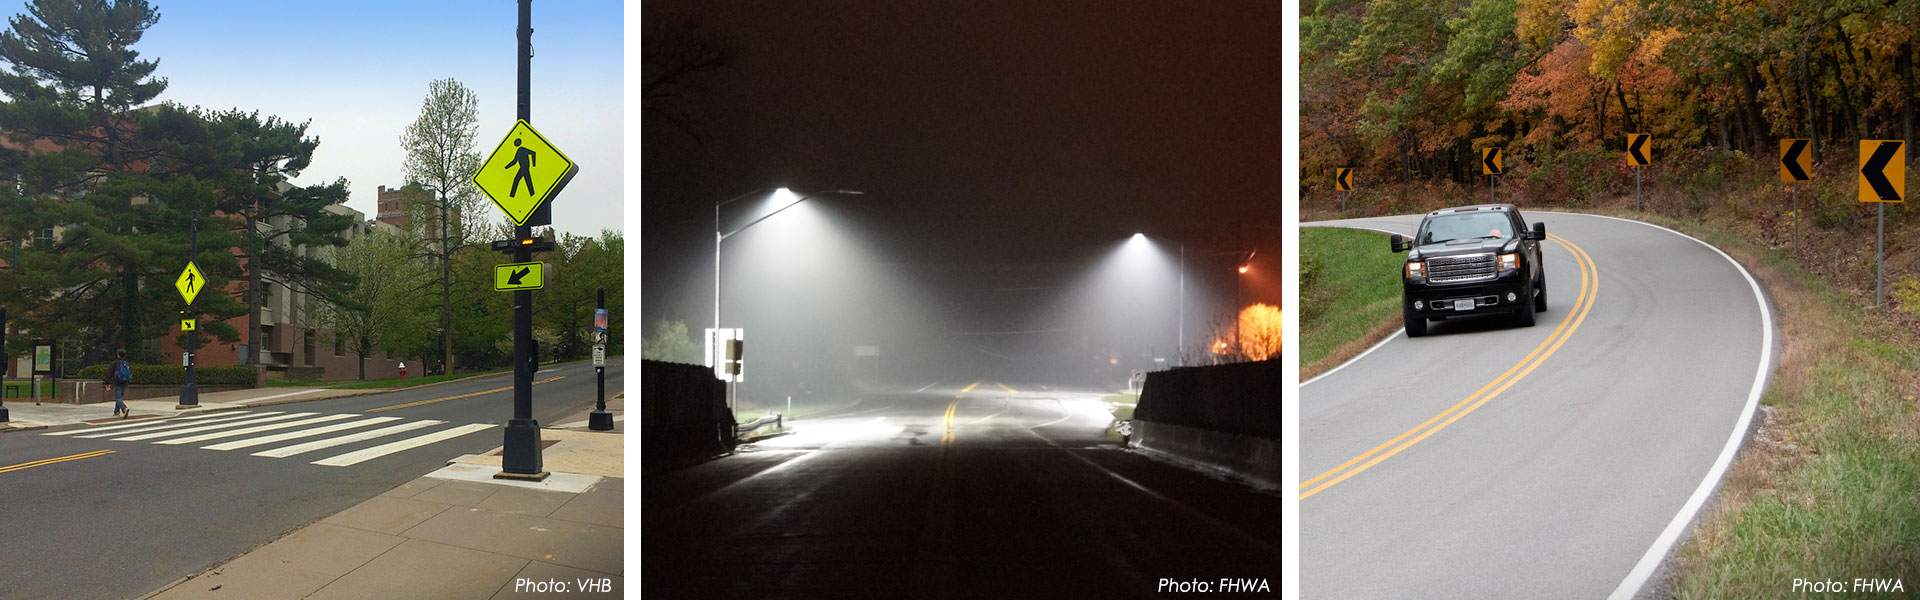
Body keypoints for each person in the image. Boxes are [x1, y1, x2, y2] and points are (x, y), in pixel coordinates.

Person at [105, 349, 132, 419]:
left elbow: (109, 372)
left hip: (117, 382)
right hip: (125, 382)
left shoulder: (115, 363)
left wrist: (107, 382)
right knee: (119, 397)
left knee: (118, 398)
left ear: (118, 355)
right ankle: (116, 412)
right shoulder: (126, 363)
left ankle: (124, 408)